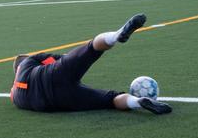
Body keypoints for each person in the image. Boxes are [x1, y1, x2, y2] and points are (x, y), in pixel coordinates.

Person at [11, 13, 172, 114]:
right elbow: (62, 58)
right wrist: (77, 58)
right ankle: (116, 36)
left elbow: (15, 94)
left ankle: (137, 102)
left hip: (56, 103)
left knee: (110, 99)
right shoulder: (29, 62)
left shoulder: (15, 97)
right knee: (91, 48)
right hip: (53, 75)